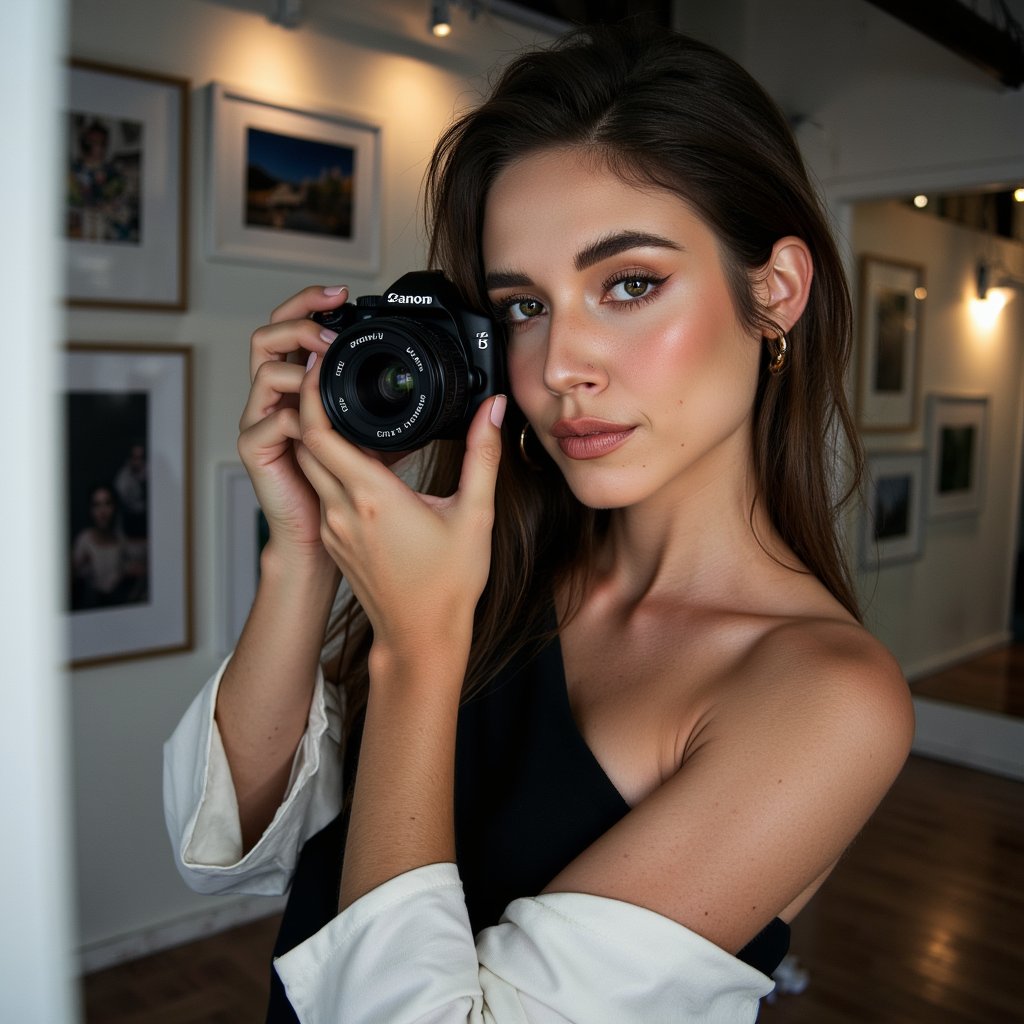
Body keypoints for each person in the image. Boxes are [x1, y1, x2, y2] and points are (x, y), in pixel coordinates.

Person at [164, 24, 914, 1023]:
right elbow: (231, 850)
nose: (561, 365)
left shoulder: (827, 700)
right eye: (523, 305)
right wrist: (301, 550)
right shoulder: (488, 568)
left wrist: (418, 649)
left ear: (773, 292)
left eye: (630, 284)